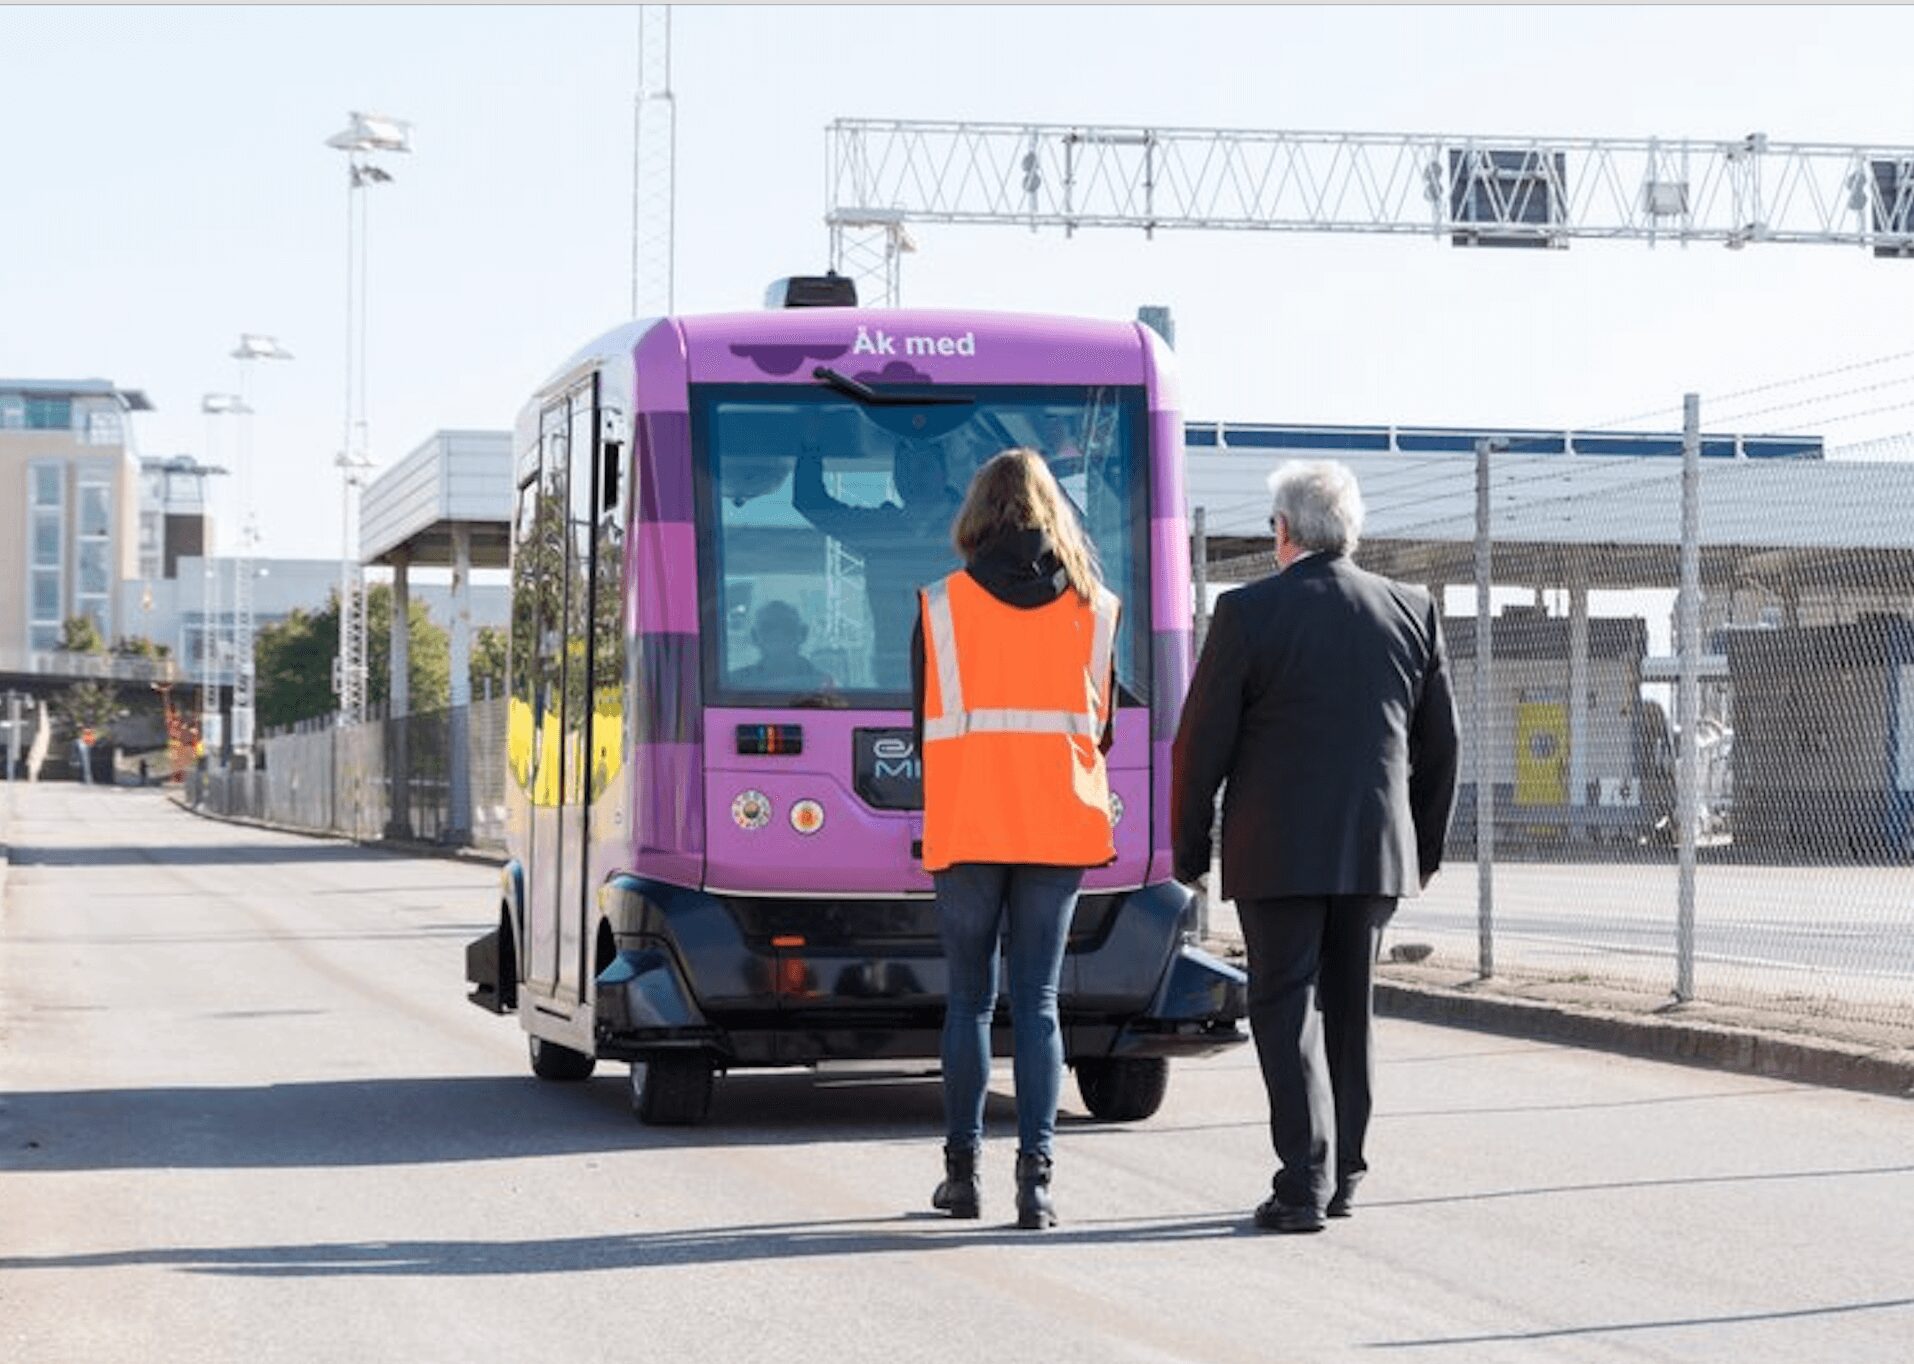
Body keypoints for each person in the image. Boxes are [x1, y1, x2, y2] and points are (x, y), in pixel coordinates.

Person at [1171, 459, 1459, 1235]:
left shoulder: (1247, 612)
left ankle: (1303, 1180)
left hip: (1277, 850)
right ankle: (1346, 1174)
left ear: (1283, 532)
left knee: (1284, 1005)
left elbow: (1201, 744)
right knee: (1350, 1011)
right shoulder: (1412, 609)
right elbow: (1442, 746)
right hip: (1374, 852)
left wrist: (1189, 849)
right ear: (1351, 532)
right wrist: (1421, 848)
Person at [912, 447, 1119, 1231]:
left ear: (977, 513)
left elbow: (922, 727)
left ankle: (960, 1177)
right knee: (1037, 1002)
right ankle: (1036, 1183)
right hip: (1058, 823)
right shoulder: (1095, 608)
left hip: (968, 820)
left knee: (968, 998)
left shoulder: (940, 606)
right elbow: (1096, 726)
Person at [794, 441, 962, 688]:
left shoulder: (975, 527)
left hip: (961, 662)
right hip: (896, 672)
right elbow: (810, 501)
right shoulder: (879, 528)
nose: (914, 478)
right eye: (905, 469)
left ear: (944, 474)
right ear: (895, 477)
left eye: (923, 467)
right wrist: (812, 444)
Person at [729, 600, 833, 693]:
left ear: (803, 633)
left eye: (787, 626)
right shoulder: (735, 682)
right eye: (768, 627)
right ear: (754, 636)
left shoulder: (823, 684)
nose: (778, 634)